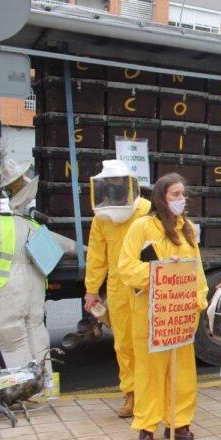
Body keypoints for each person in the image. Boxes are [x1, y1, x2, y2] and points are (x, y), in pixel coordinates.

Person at [118, 173, 208, 440]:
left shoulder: (188, 229)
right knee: (150, 373)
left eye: (183, 194)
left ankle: (179, 421)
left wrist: (198, 301)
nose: (182, 200)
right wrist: (159, 270)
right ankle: (146, 425)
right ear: (161, 198)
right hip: (150, 316)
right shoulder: (141, 227)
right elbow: (126, 267)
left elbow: (198, 271)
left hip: (180, 316)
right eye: (175, 195)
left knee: (182, 372)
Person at [84, 160, 151, 417]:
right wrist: (91, 290)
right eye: (109, 182)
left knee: (145, 340)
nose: (114, 186)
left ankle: (150, 394)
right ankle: (131, 395)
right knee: (123, 344)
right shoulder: (101, 216)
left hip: (145, 284)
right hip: (117, 286)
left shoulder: (146, 209)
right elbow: (97, 256)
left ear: (127, 183)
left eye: (118, 181)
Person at [0, 159, 52, 379]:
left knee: (13, 338)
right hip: (33, 288)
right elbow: (57, 251)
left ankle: (25, 388)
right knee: (37, 332)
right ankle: (45, 383)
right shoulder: (33, 225)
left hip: (8, 289)